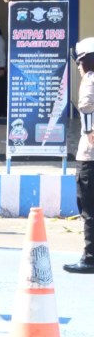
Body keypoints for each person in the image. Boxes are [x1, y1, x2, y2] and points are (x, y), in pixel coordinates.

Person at [64, 37, 94, 274]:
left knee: (88, 207)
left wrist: (90, 131)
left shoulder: (90, 79)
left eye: (79, 61)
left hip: (90, 157)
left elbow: (86, 108)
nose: (78, 66)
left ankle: (90, 257)